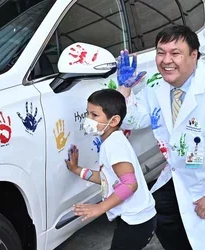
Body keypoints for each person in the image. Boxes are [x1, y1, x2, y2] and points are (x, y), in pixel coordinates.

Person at [117, 25, 205, 250]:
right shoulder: (158, 87)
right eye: (160, 52)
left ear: (194, 55)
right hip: (181, 176)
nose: (166, 60)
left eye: (175, 53)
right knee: (163, 217)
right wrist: (125, 90)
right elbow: (133, 119)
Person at [65, 89, 156, 250]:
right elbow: (106, 178)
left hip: (137, 222)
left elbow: (130, 184)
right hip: (134, 219)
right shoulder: (112, 140)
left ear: (113, 121)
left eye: (94, 115)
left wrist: (100, 207)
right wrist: (77, 170)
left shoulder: (114, 145)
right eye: (88, 114)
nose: (88, 119)